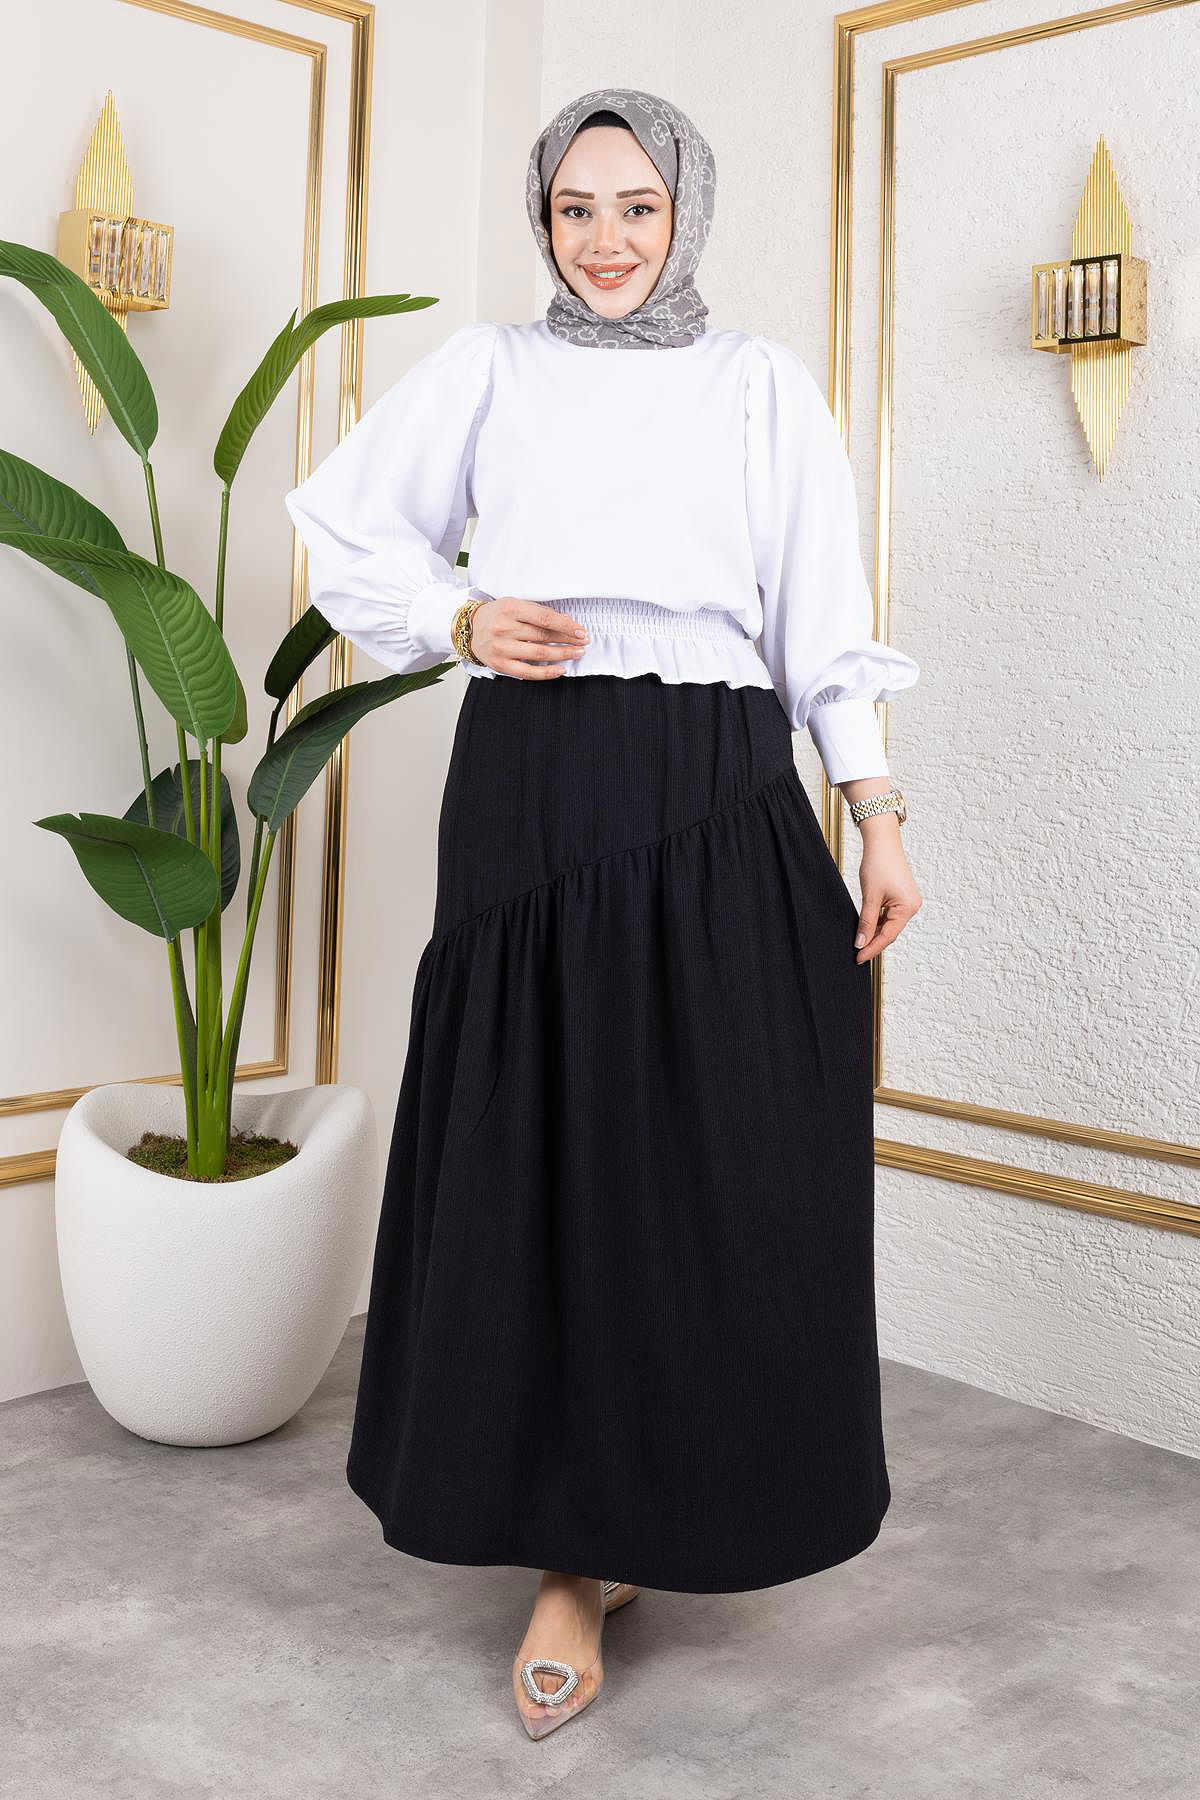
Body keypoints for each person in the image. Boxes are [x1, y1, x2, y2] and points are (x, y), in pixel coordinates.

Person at [283, 86, 922, 1742]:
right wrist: (456, 619)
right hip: (536, 782)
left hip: (718, 781)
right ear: (543, 220)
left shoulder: (761, 384)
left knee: (726, 1148)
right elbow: (339, 528)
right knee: (547, 1156)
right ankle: (569, 1558)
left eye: (638, 205)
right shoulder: (489, 370)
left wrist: (875, 812)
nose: (608, 238)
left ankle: (680, 1502)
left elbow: (821, 618)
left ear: (686, 208)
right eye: (577, 207)